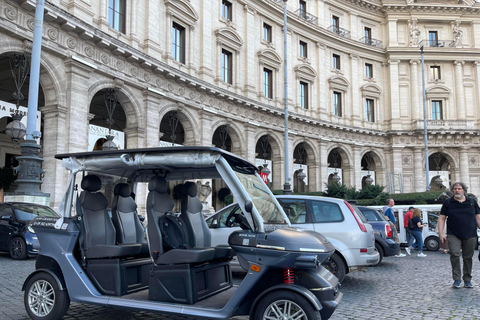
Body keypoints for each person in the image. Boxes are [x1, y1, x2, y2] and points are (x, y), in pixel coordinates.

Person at [438, 182, 480, 289]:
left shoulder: (472, 202)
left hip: (470, 233)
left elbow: (478, 218)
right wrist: (441, 233)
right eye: (455, 189)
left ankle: (467, 279)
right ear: (452, 190)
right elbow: (442, 218)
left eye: (459, 189)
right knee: (455, 254)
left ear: (464, 190)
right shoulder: (448, 202)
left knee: (468, 257)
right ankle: (457, 279)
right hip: (453, 234)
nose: (457, 190)